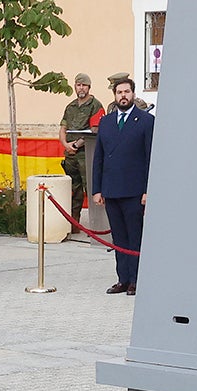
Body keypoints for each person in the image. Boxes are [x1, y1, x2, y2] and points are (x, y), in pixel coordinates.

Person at [91, 75, 152, 295]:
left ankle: (136, 279)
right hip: (111, 189)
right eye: (119, 92)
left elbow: (149, 158)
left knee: (134, 236)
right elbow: (99, 158)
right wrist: (97, 189)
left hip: (135, 191)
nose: (123, 96)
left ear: (133, 94)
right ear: (114, 95)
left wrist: (147, 190)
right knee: (118, 238)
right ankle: (123, 279)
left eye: (127, 92)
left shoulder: (145, 121)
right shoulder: (106, 122)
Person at [59, 73, 102, 209]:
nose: (81, 88)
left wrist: (76, 145)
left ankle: (95, 225)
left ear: (89, 87)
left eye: (84, 85)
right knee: (73, 191)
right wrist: (66, 145)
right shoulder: (70, 107)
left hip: (86, 154)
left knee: (90, 188)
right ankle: (74, 225)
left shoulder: (95, 105)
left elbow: (95, 130)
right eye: (79, 85)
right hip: (70, 155)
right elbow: (62, 127)